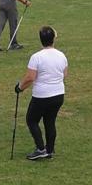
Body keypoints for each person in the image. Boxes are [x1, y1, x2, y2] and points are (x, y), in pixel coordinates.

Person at [15, 26, 68, 160]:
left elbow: (30, 77)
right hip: (58, 94)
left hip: (42, 96)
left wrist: (20, 87)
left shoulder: (36, 57)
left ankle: (40, 149)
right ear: (53, 39)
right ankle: (49, 149)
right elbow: (64, 74)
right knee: (50, 121)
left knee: (31, 120)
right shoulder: (61, 55)